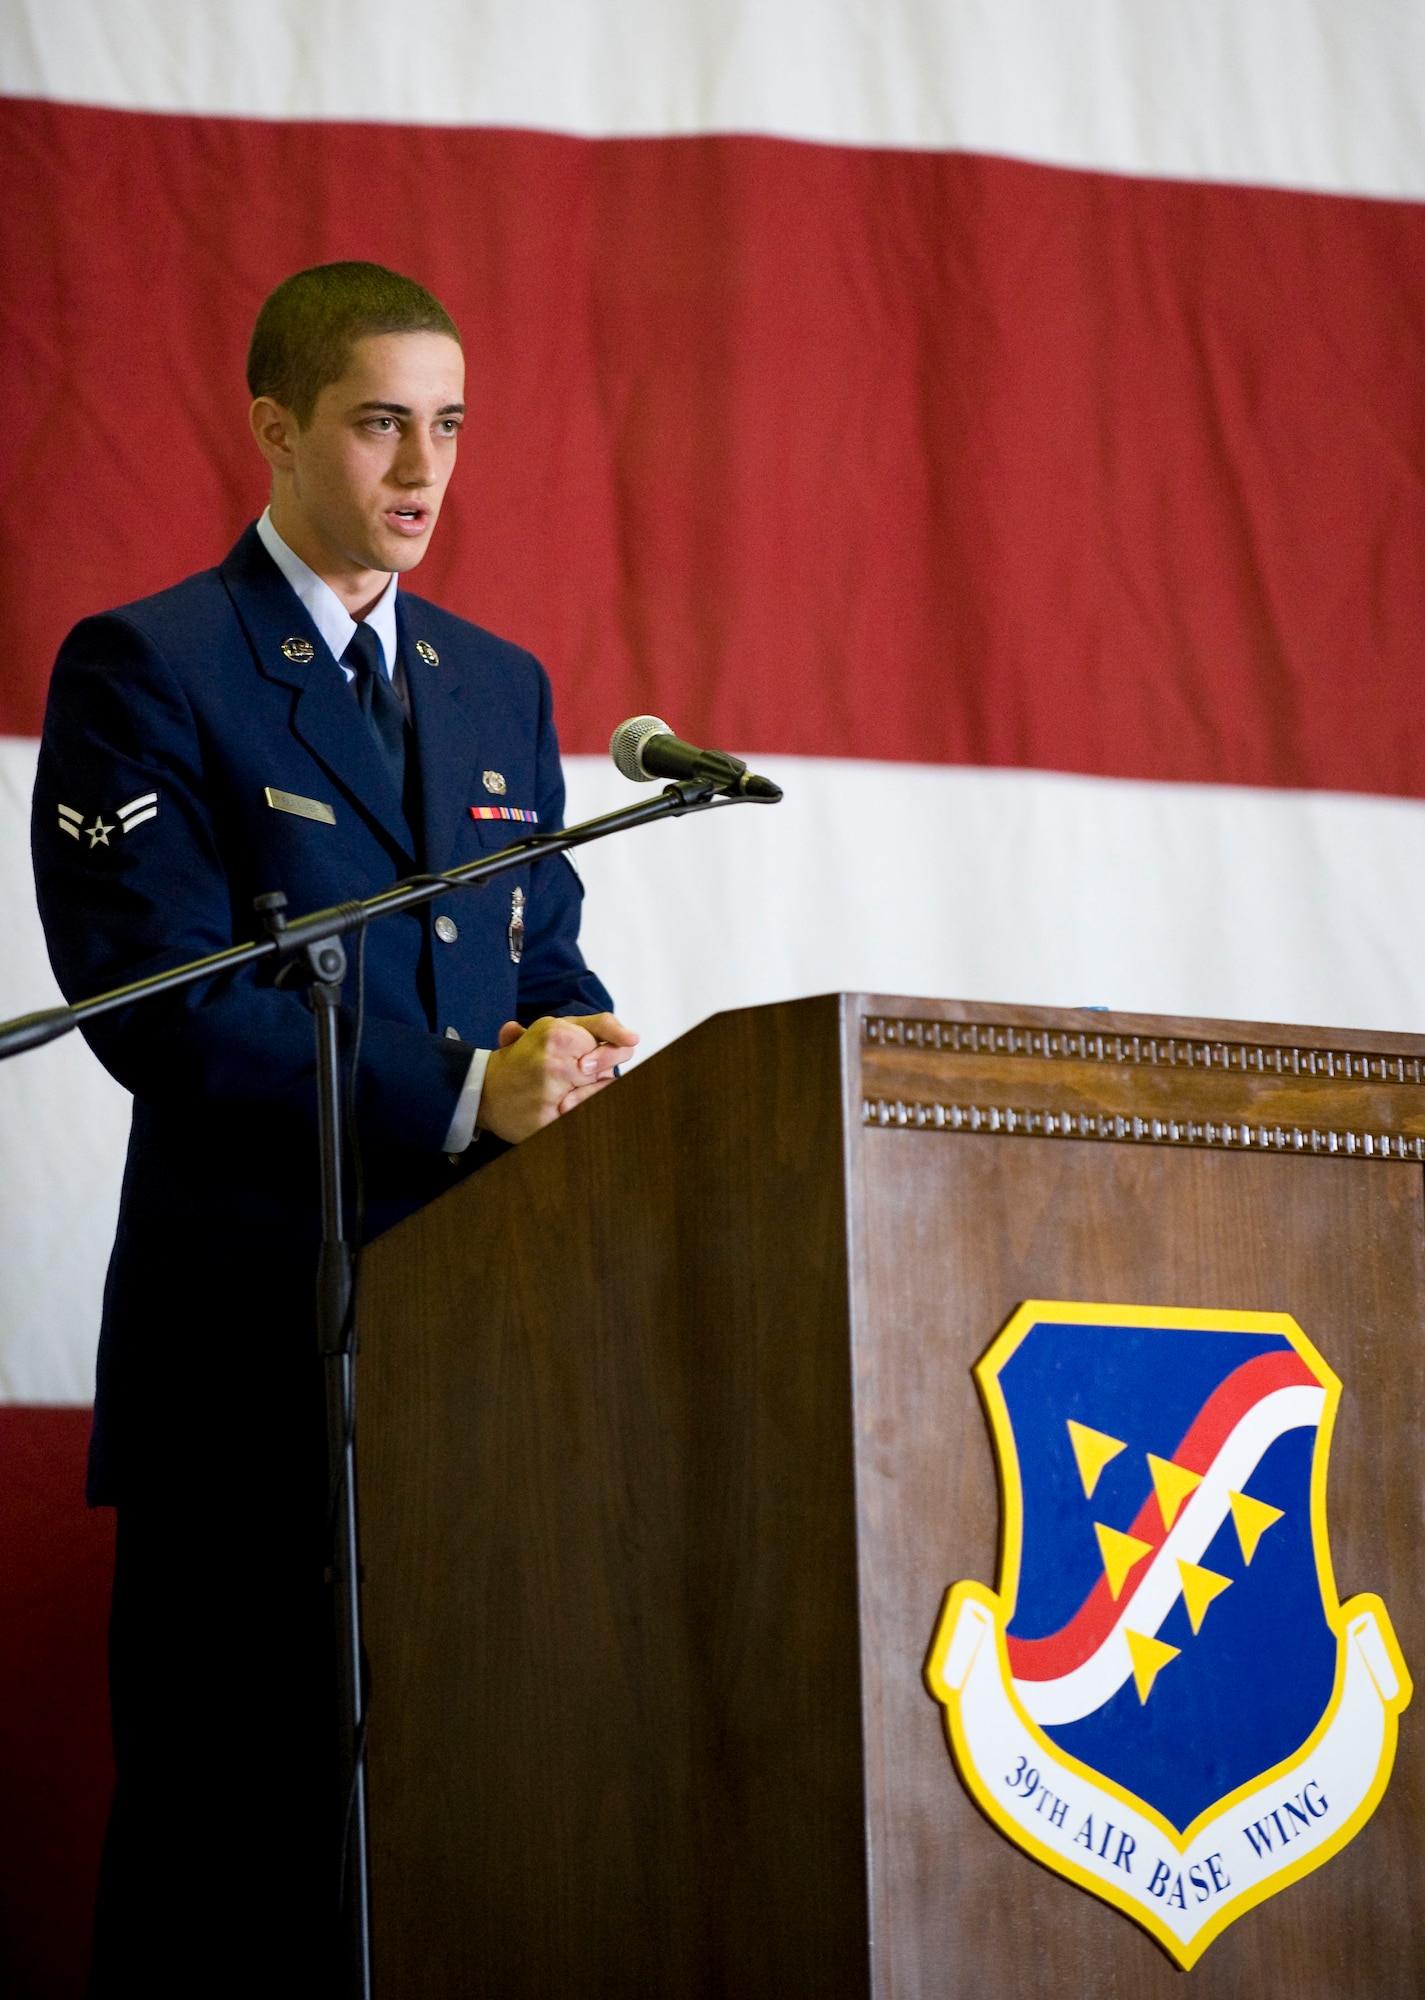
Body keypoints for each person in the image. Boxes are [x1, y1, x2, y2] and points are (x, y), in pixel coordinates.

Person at [31, 261, 636, 1996]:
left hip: (472, 1369)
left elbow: (541, 953)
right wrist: (457, 1092)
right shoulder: (153, 665)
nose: (422, 467)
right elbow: (157, 1004)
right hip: (249, 1368)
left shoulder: (494, 683)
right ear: (277, 428)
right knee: (224, 1859)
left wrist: (573, 1046)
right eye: (380, 422)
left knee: (440, 1848)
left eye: (449, 425)